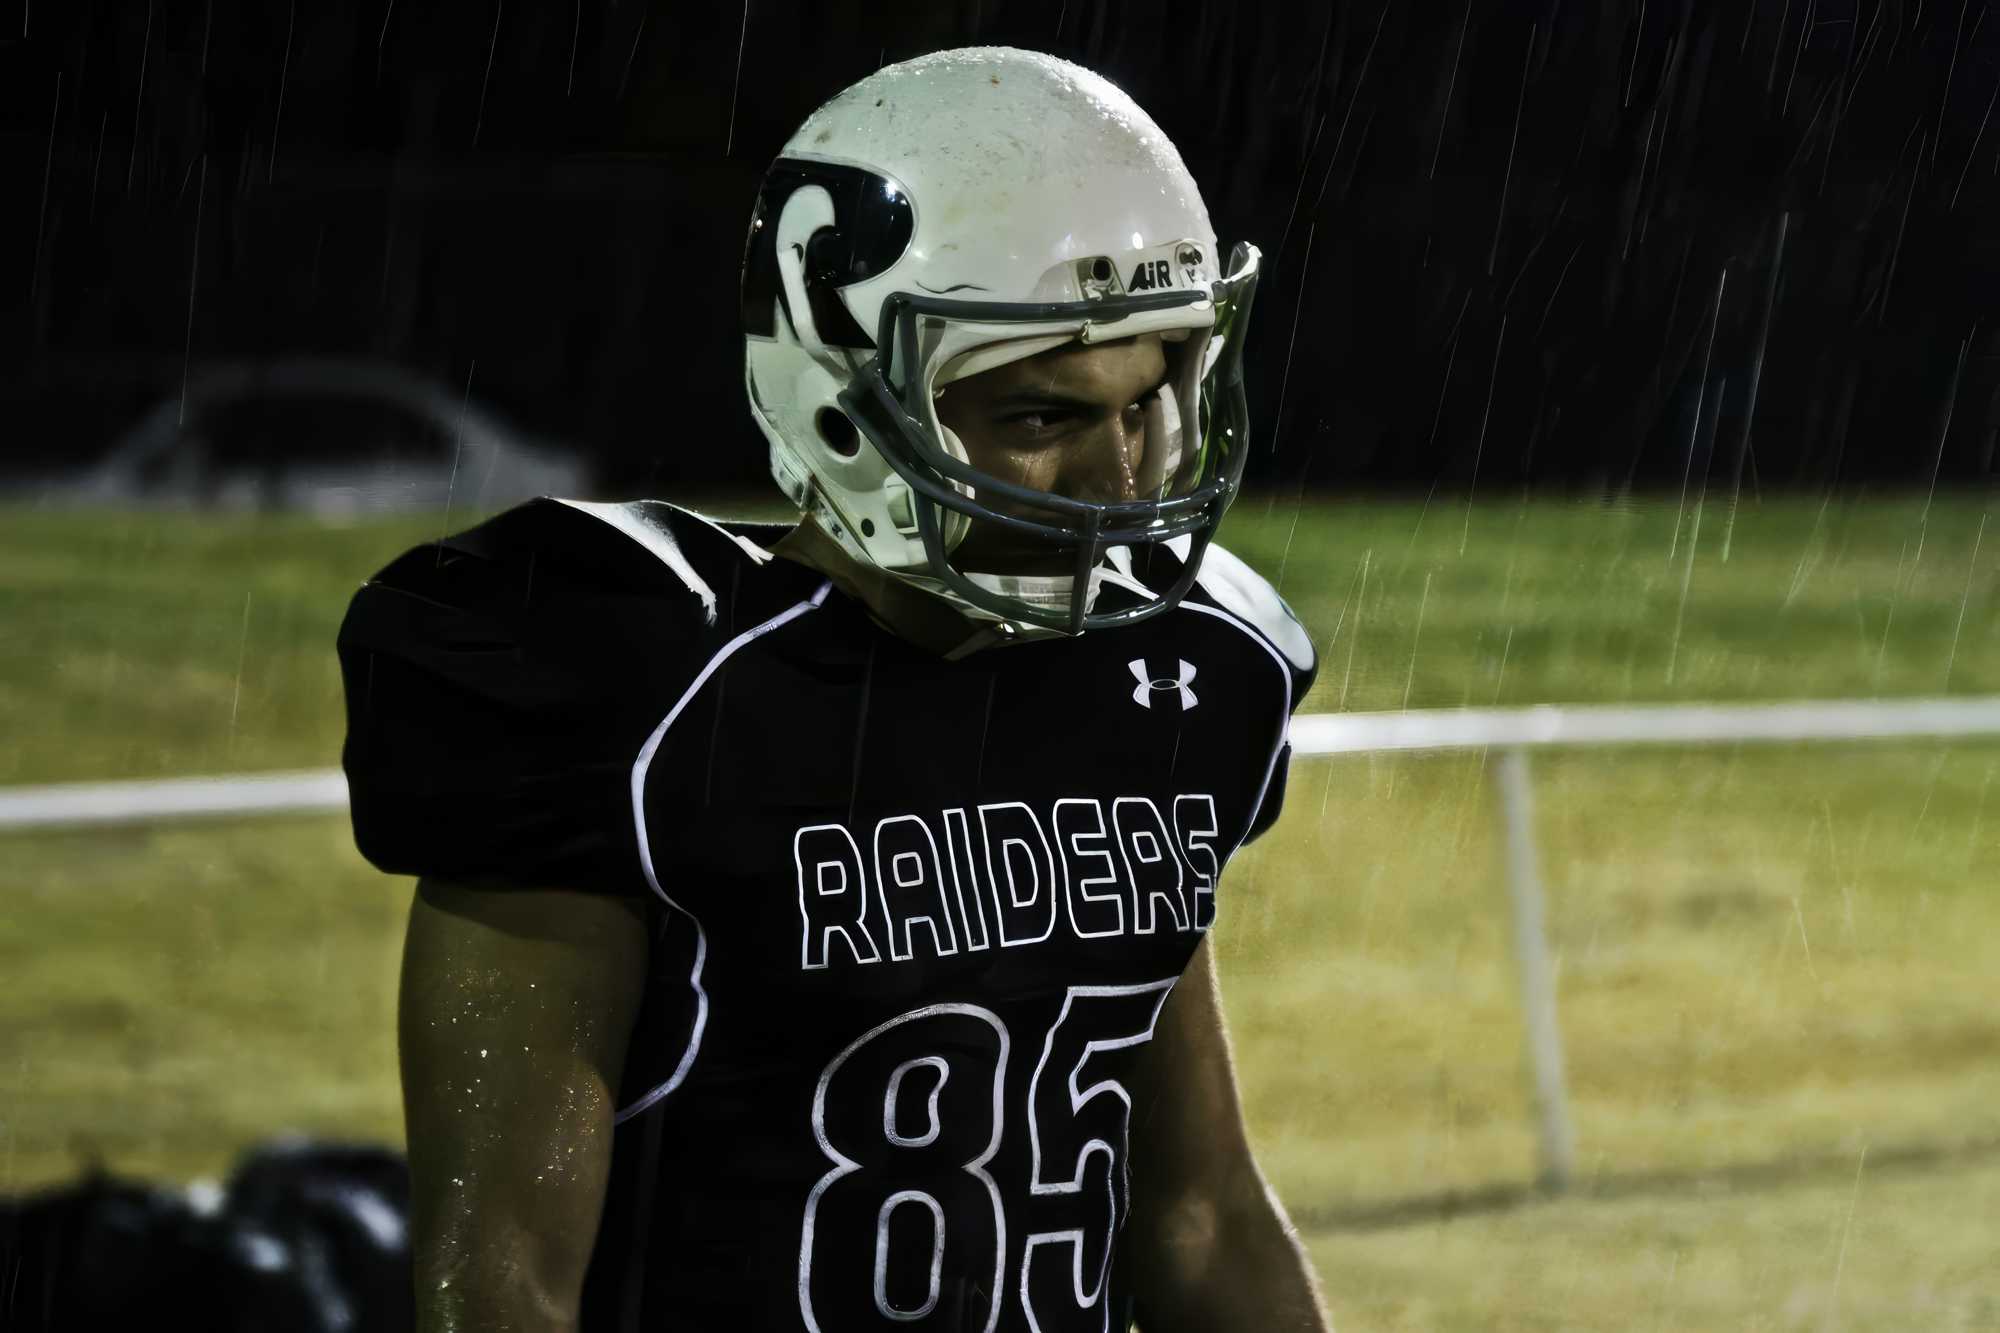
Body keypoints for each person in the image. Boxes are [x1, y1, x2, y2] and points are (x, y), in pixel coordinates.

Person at [338, 46, 1331, 1333]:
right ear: (840, 398)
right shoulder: (638, 689)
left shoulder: (1181, 677)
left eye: (1149, 400)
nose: (1121, 480)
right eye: (1041, 417)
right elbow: (502, 1289)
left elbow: (1199, 1217)